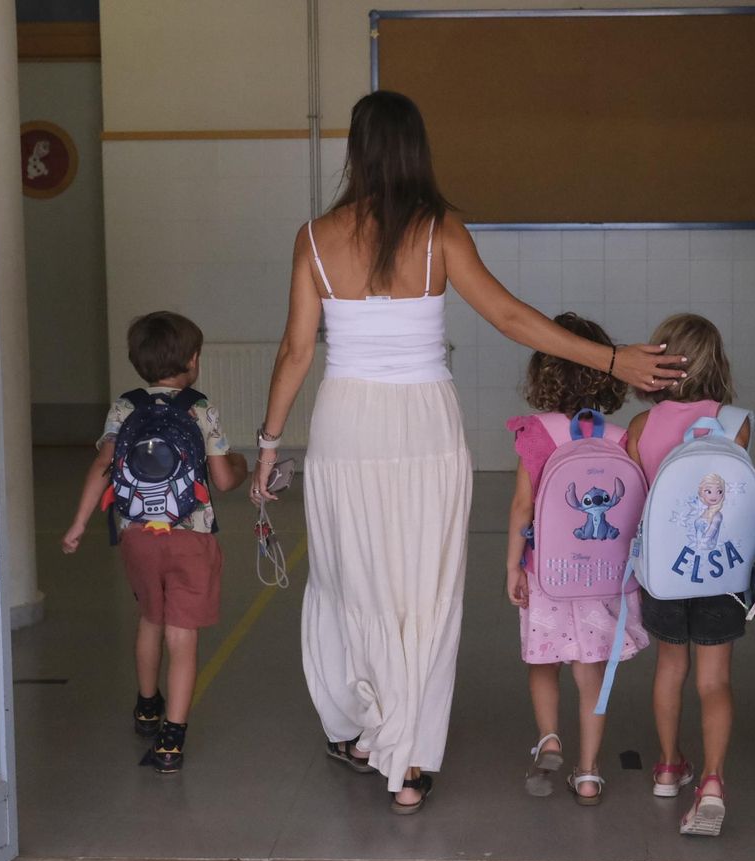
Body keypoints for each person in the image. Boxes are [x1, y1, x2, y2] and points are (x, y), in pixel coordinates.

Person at [251, 90, 684, 814]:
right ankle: (410, 764)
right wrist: (612, 361)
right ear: (417, 149)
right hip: (424, 423)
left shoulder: (314, 237)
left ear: (356, 151)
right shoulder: (440, 231)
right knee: (425, 588)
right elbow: (513, 317)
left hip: (345, 425)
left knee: (355, 582)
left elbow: (297, 352)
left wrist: (268, 444)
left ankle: (368, 729)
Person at [61, 312, 248, 774]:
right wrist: (241, 464)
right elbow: (223, 480)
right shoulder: (198, 408)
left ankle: (147, 705)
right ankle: (171, 739)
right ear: (193, 359)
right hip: (191, 535)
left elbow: (102, 466)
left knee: (151, 618)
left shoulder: (124, 408)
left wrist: (79, 523)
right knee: (181, 637)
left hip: (136, 534)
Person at [506, 313, 649, 806]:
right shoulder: (618, 438)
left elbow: (523, 507)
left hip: (546, 574)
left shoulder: (534, 432)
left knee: (543, 661)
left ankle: (549, 738)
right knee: (592, 673)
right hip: (602, 578)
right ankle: (589, 774)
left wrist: (511, 567)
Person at [624, 314, 751, 836]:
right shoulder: (738, 421)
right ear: (716, 363)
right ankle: (715, 780)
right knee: (714, 679)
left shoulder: (639, 428)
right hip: (722, 573)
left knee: (671, 669)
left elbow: (636, 507)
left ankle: (669, 766)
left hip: (665, 575)